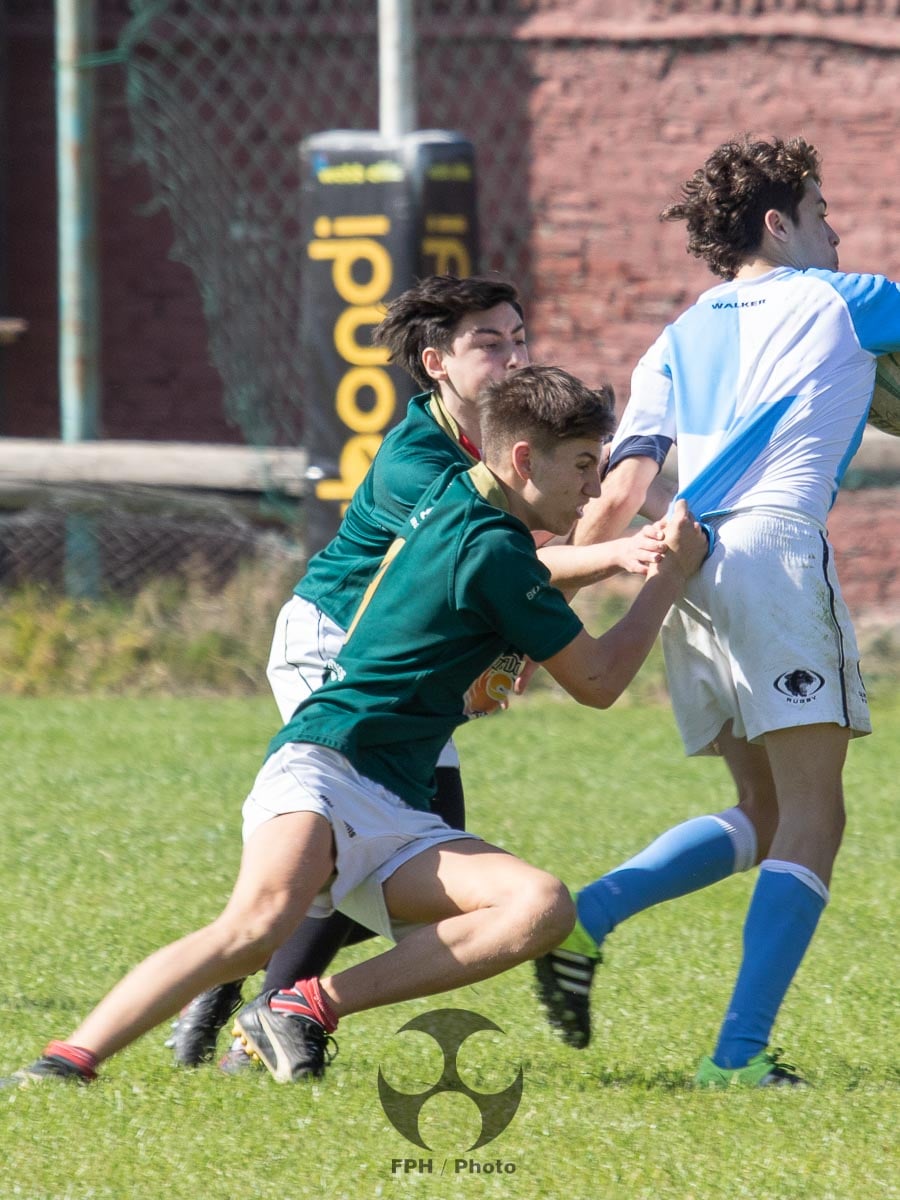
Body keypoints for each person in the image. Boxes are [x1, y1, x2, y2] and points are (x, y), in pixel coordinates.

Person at [3, 365, 708, 1089]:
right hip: (325, 764)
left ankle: (301, 1008)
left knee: (539, 907)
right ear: (524, 460)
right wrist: (667, 577)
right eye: (585, 465)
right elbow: (599, 682)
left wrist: (609, 559)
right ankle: (63, 1063)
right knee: (255, 927)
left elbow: (524, 572)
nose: (595, 489)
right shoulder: (493, 549)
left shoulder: (459, 496)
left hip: (397, 803)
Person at [170, 274, 667, 1074]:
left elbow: (504, 576)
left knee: (397, 868)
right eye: (489, 343)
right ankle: (259, 1006)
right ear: (437, 363)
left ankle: (248, 987)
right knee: (371, 858)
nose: (512, 357)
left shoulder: (506, 442)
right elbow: (500, 566)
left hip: (401, 662)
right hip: (335, 645)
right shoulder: (418, 460)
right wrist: (618, 553)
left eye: (519, 338)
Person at [533, 135, 900, 1087]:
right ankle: (738, 1056)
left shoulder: (675, 336)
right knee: (816, 814)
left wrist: (543, 600)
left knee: (765, 811)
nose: (835, 233)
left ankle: (590, 915)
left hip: (684, 564)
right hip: (775, 555)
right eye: (821, 213)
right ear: (777, 223)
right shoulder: (849, 298)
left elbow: (619, 498)